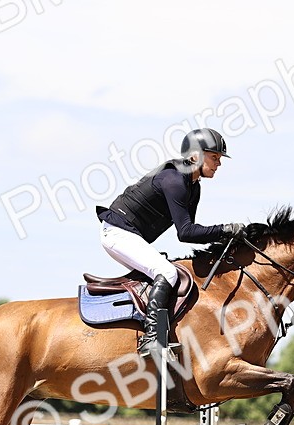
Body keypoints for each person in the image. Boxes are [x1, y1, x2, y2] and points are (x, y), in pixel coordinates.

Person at [98, 128, 245, 354]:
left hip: (130, 235)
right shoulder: (174, 179)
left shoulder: (193, 186)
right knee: (167, 273)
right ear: (195, 155)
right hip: (117, 233)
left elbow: (192, 232)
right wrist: (225, 229)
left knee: (170, 271)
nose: (219, 164)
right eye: (214, 157)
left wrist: (226, 236)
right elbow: (185, 232)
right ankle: (151, 339)